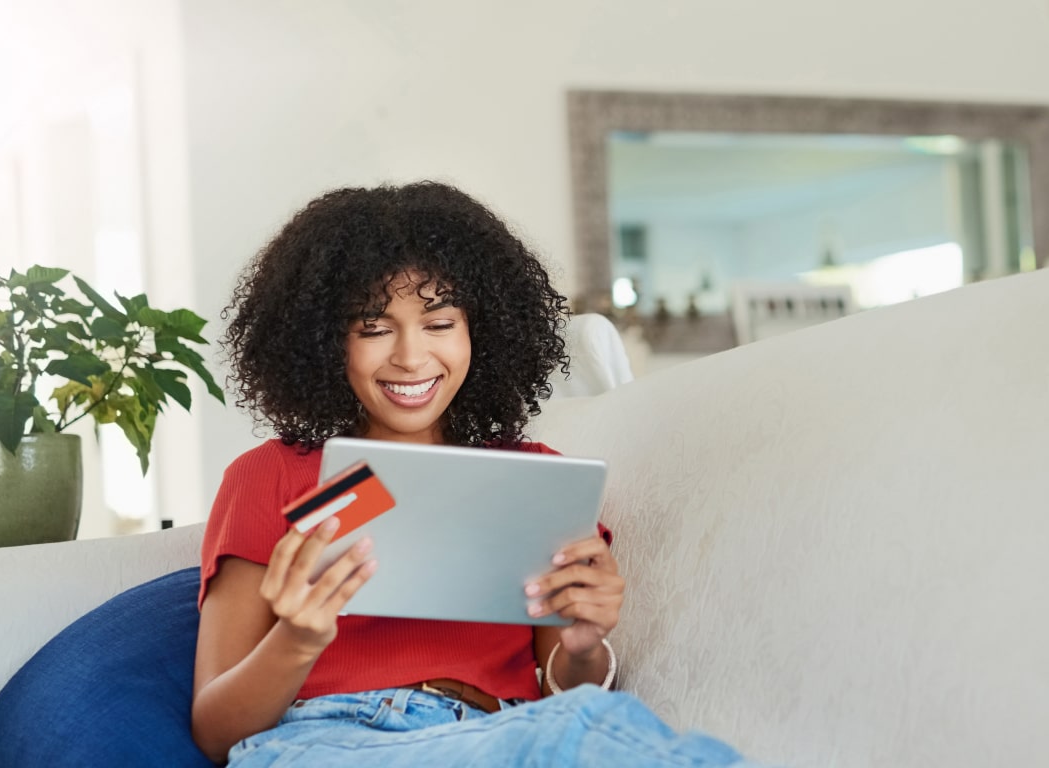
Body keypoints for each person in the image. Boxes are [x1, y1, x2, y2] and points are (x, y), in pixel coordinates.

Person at [189, 181, 752, 767]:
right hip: (331, 740)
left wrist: (585, 646)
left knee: (598, 724)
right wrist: (297, 640)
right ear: (327, 342)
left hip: (508, 736)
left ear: (479, 331)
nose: (410, 357)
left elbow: (571, 687)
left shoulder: (534, 480)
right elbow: (215, 731)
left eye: (439, 323)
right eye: (374, 328)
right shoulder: (272, 476)